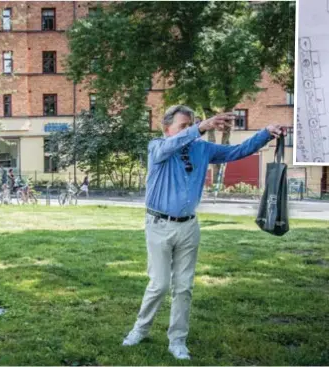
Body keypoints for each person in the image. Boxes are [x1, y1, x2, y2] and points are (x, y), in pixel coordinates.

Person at [122, 105, 286, 360]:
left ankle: (177, 340)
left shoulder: (202, 149)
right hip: (158, 225)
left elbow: (237, 151)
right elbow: (169, 147)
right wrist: (200, 127)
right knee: (160, 284)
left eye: (191, 124)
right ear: (168, 129)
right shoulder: (157, 147)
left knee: (184, 287)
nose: (189, 129)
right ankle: (140, 329)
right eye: (183, 125)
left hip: (188, 226)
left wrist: (265, 132)